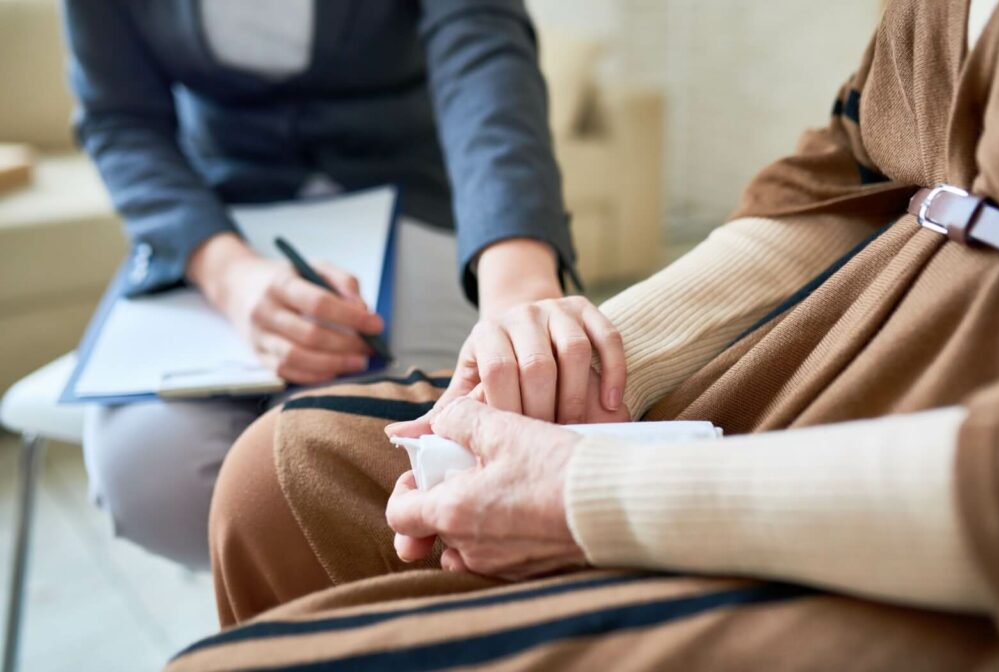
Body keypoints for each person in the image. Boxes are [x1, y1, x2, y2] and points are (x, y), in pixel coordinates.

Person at [174, 0, 999, 668]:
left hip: (978, 506)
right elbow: (849, 168)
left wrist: (597, 494)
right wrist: (587, 357)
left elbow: (480, 54)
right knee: (277, 476)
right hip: (841, 338)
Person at [63, 0, 626, 568]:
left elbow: (482, 53)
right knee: (151, 481)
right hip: (220, 220)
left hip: (416, 193)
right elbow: (118, 118)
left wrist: (517, 281)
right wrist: (228, 274)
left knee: (417, 462)